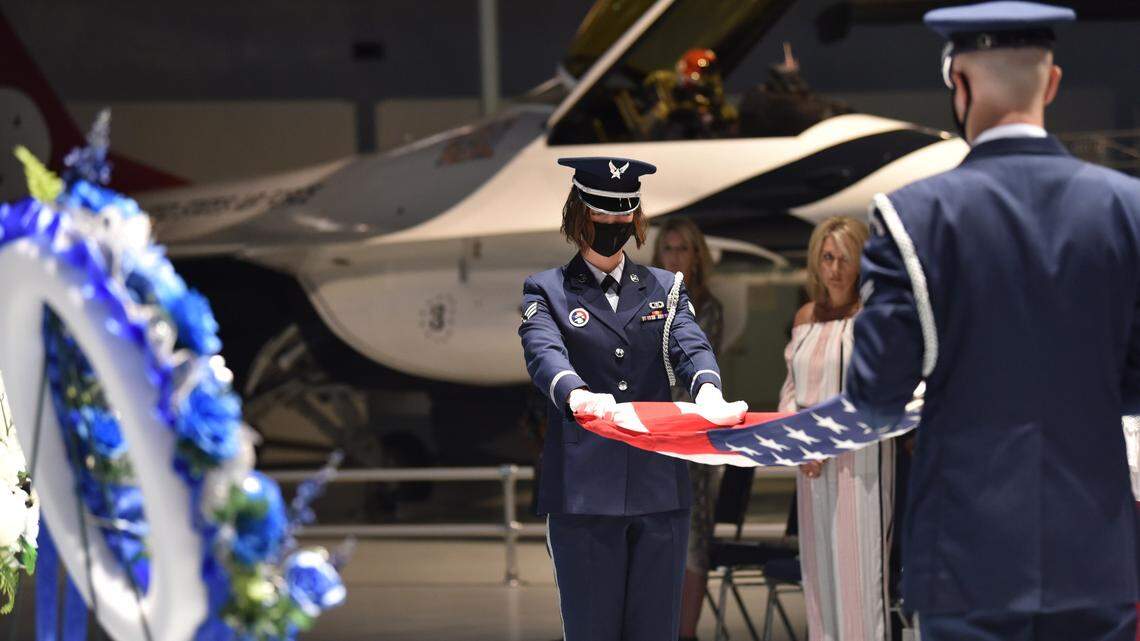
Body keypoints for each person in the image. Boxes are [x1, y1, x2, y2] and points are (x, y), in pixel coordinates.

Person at [842, 2, 1140, 639]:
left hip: (965, 558)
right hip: (1096, 555)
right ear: (1053, 83)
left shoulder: (910, 216)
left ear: (959, 82)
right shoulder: (1128, 208)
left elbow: (875, 393)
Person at [519, 157, 748, 641]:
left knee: (655, 631)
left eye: (623, 217)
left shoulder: (666, 289)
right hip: (586, 494)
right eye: (602, 216)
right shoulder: (548, 290)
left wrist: (708, 389)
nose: (613, 226)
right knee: (593, 631)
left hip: (658, 491)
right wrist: (577, 395)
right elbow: (544, 353)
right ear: (579, 215)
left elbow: (690, 344)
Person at [777, 216, 894, 641]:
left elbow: (873, 393)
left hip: (860, 465)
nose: (835, 268)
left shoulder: (874, 316)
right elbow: (791, 389)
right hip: (810, 468)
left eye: (845, 258)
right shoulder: (805, 317)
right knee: (820, 580)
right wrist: (801, 443)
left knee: (860, 582)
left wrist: (824, 440)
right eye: (827, 257)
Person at [651, 217, 724, 641]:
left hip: (692, 437)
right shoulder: (642, 301)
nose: (675, 257)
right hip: (652, 435)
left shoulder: (708, 307)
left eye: (683, 249)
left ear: (696, 257)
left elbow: (689, 368)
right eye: (668, 249)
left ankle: (687, 632)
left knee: (694, 541)